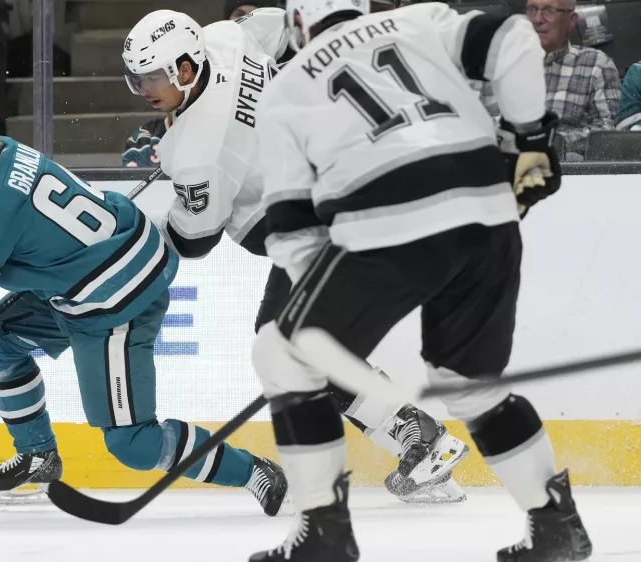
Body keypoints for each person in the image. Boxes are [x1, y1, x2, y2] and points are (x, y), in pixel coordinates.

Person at [0, 92, 290, 516]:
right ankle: (38, 455)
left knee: (133, 443)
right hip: (99, 268)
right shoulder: (3, 151)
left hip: (117, 300)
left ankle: (253, 471)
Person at [249, 0, 594, 559]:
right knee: (468, 383)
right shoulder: (420, 19)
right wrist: (529, 138)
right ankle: (557, 526)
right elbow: (514, 39)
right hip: (489, 214)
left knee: (280, 353)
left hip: (386, 221)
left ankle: (326, 539)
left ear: (297, 24)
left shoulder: (286, 87)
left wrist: (323, 322)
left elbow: (292, 232)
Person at [122, 7, 470, 504]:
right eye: (136, 79)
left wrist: (153, 226)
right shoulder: (224, 39)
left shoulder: (196, 152)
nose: (144, 90)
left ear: (184, 68)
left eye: (153, 77)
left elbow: (196, 239)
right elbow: (282, 25)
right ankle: (417, 440)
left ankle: (422, 438)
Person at [475, 0, 621, 157]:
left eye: (548, 11)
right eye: (532, 10)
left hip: (564, 169)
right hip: (495, 164)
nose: (537, 19)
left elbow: (609, 131)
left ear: (571, 21)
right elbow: (467, 120)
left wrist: (555, 141)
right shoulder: (492, 63)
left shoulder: (595, 64)